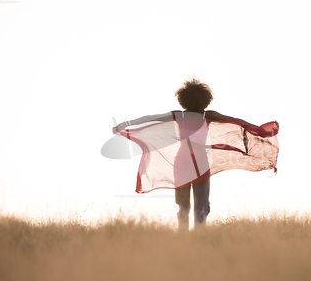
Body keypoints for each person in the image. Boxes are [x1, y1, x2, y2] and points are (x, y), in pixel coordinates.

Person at [114, 78, 268, 231]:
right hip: (201, 162)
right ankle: (199, 237)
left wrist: (125, 125)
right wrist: (258, 130)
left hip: (181, 162)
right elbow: (236, 121)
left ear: (183, 99)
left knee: (183, 206)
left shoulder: (179, 115)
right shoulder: (207, 115)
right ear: (206, 100)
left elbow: (151, 118)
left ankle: (183, 237)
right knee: (201, 204)